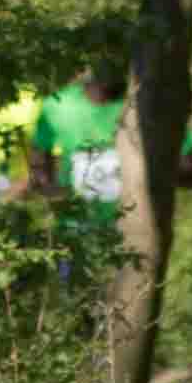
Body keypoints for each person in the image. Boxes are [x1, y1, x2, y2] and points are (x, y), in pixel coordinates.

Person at [26, 57, 129, 275]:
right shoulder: (59, 104)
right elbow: (38, 159)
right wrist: (52, 192)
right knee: (75, 284)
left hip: (129, 223)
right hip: (74, 223)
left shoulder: (139, 105)